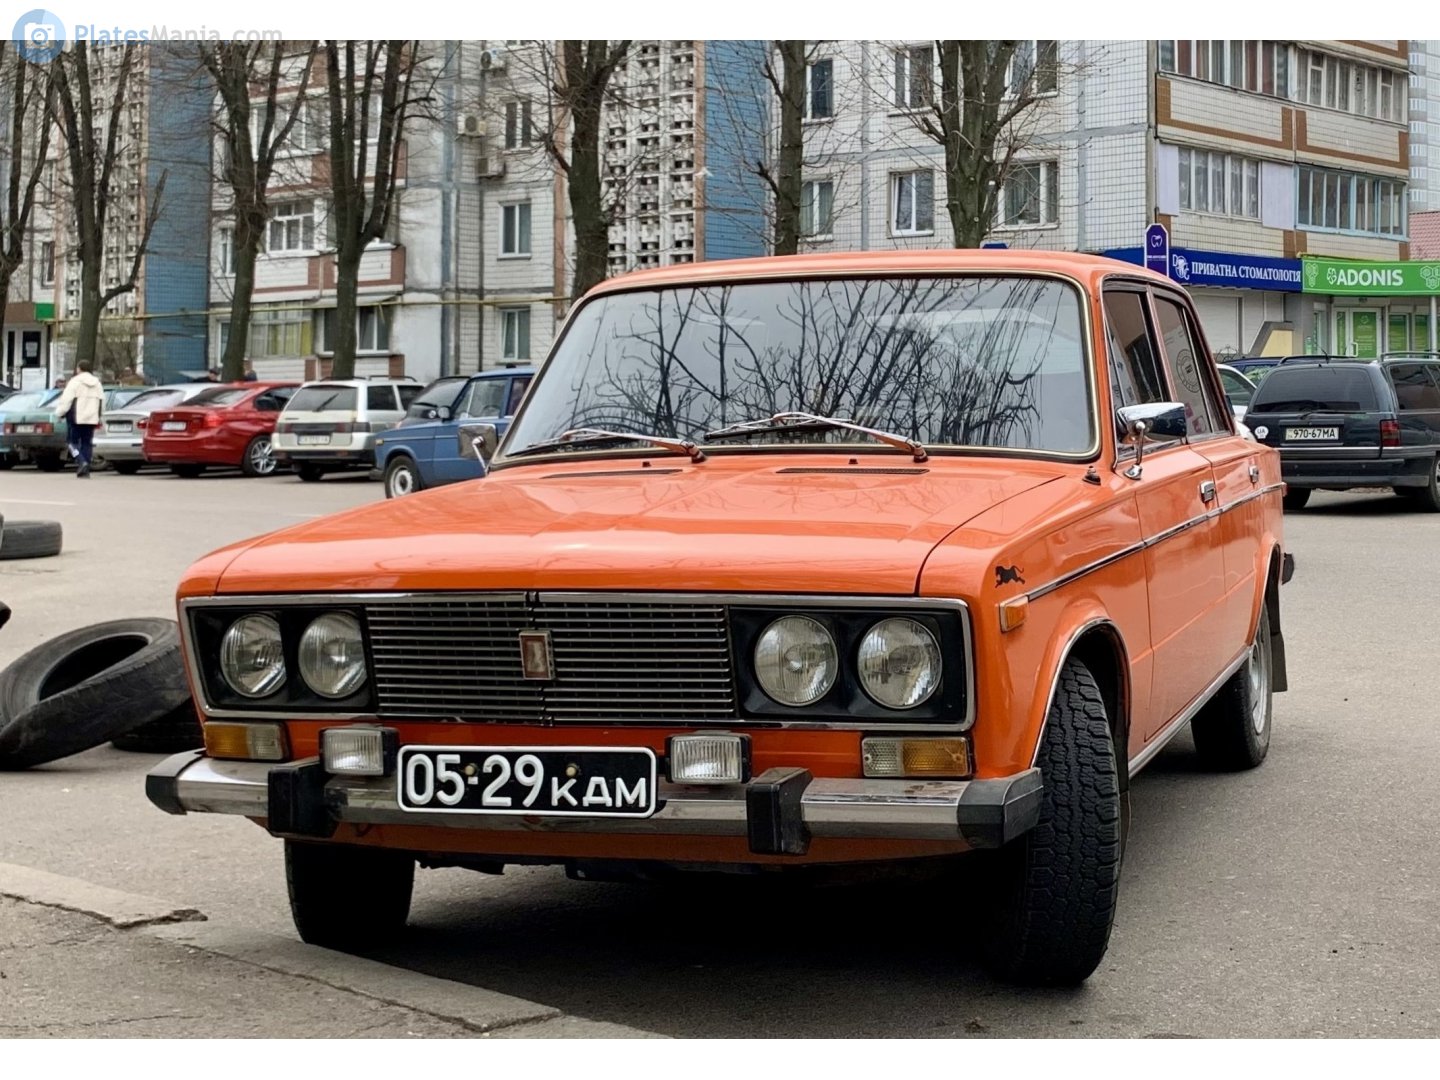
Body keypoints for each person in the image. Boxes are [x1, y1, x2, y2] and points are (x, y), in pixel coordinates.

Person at [53, 359, 104, 478]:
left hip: (76, 417)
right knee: (87, 443)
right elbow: (102, 401)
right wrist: (100, 416)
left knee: (71, 443)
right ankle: (85, 469)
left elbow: (66, 400)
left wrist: (59, 413)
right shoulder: (97, 383)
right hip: (91, 418)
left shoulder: (74, 382)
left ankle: (81, 461)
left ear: (79, 369)